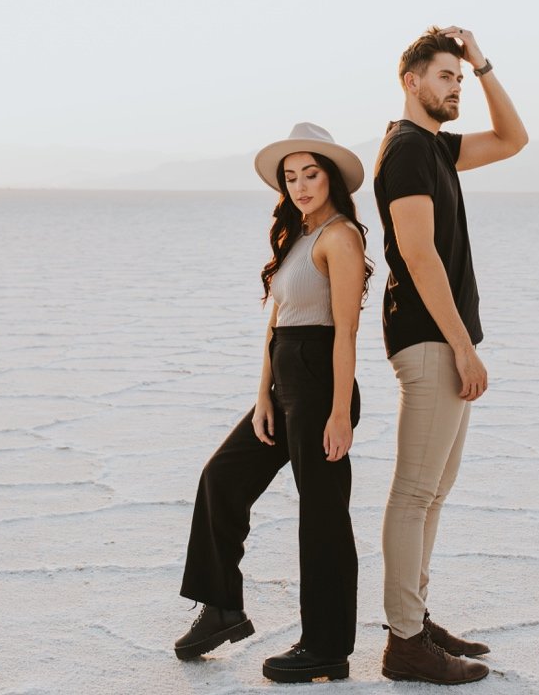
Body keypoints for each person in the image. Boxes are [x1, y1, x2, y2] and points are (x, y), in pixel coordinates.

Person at [176, 122, 373, 684]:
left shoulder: (341, 237)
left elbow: (345, 334)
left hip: (320, 382)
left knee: (322, 517)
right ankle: (221, 607)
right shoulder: (297, 238)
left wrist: (339, 412)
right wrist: (262, 394)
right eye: (291, 178)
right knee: (222, 478)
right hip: (285, 380)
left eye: (311, 174)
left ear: (331, 177)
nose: (301, 186)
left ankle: (326, 648)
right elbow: (276, 320)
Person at [375, 27, 527, 684]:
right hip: (432, 340)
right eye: (445, 76)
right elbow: (417, 253)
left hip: (446, 339)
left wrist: (483, 64)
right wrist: (462, 346)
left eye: (459, 79)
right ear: (412, 81)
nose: (455, 87)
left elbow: (514, 140)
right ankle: (405, 643)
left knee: (433, 493)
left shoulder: (436, 148)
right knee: (414, 493)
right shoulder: (407, 149)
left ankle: (415, 618)